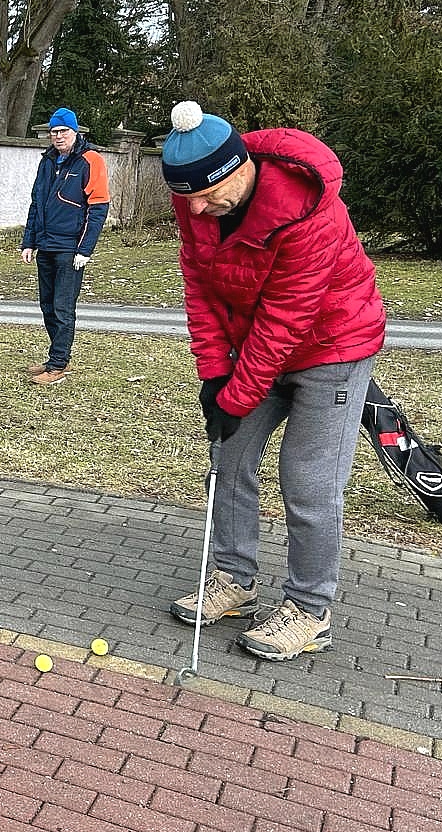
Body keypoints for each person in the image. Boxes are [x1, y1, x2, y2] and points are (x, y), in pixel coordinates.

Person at [162, 101, 386, 662]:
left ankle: (310, 609)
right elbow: (200, 287)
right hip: (256, 347)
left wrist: (238, 393)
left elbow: (287, 317)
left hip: (332, 347)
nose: (195, 208)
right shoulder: (196, 201)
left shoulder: (309, 210)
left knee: (307, 480)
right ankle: (234, 579)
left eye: (206, 194)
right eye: (187, 198)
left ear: (238, 169)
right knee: (229, 456)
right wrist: (215, 375)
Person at [19, 107, 110, 385]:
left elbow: (98, 208)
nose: (58, 136)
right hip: (46, 245)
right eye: (54, 132)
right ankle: (57, 357)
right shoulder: (47, 161)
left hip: (70, 249)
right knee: (47, 306)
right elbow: (36, 203)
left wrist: (85, 249)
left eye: (63, 131)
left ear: (75, 131)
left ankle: (58, 365)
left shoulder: (90, 160)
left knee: (63, 307)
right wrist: (29, 241)